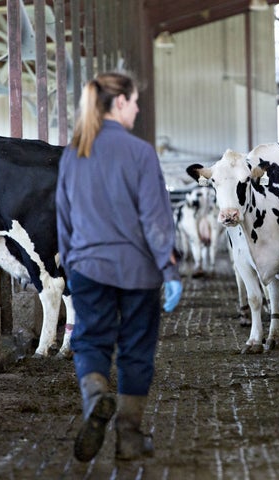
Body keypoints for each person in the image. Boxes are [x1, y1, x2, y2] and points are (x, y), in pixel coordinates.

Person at [56, 71, 183, 462]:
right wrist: (170, 268)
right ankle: (128, 437)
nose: (139, 107)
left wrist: (70, 267)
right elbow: (155, 218)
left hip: (88, 267)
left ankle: (95, 396)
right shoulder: (140, 153)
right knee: (136, 351)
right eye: (135, 100)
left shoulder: (74, 153)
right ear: (120, 103)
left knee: (91, 341)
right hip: (138, 271)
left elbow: (64, 217)